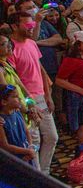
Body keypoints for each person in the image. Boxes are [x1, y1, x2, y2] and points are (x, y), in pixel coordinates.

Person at [7, 13, 57, 173]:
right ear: (15, 26)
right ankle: (37, 177)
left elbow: (40, 69)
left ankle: (45, 172)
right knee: (33, 139)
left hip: (41, 95)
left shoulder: (31, 43)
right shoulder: (11, 49)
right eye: (28, 26)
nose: (32, 28)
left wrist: (48, 95)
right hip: (26, 99)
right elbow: (15, 81)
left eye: (33, 25)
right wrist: (28, 104)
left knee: (51, 136)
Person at [0, 83, 37, 169]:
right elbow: (5, 146)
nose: (20, 99)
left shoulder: (17, 112)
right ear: (4, 102)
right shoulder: (2, 121)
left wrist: (30, 147)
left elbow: (27, 132)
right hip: (14, 159)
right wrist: (27, 151)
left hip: (26, 153)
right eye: (15, 97)